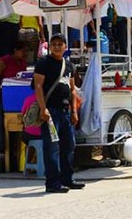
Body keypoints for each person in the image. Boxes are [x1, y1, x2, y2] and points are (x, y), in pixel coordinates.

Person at [33, 33, 85, 194]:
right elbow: (38, 87)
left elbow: (72, 90)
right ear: (50, 46)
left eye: (60, 43)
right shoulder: (43, 63)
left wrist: (74, 111)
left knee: (69, 146)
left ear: (65, 47)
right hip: (51, 113)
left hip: (65, 112)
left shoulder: (68, 65)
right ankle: (52, 183)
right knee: (52, 148)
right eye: (53, 43)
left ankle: (67, 179)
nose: (56, 46)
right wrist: (43, 109)